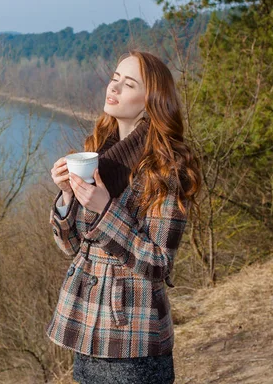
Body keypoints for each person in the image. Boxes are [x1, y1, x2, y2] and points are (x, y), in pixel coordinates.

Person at [47, 50, 201, 384]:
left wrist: (105, 209)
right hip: (86, 331)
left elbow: (159, 263)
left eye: (128, 84)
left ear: (151, 102)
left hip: (134, 340)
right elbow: (72, 245)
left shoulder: (167, 169)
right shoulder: (100, 153)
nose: (113, 88)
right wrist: (68, 195)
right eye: (115, 78)